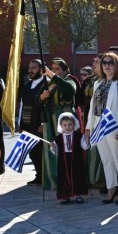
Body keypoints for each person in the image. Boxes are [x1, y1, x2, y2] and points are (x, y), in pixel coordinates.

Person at [86, 52, 118, 204]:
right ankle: (111, 188)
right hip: (98, 124)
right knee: (106, 160)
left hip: (112, 125)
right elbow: (92, 107)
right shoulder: (98, 83)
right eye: (104, 62)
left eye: (111, 62)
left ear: (117, 65)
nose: (106, 65)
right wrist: (88, 127)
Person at [39, 59, 77, 190]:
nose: (54, 71)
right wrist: (42, 97)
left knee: (66, 147)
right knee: (51, 147)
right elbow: (37, 99)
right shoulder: (49, 83)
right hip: (50, 118)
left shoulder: (69, 80)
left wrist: (51, 75)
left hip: (65, 118)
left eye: (57, 69)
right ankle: (53, 179)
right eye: (53, 68)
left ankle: (69, 180)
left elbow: (70, 90)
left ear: (65, 70)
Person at [18, 60, 48, 185]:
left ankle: (44, 177)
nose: (31, 70)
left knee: (40, 151)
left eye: (34, 68)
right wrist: (20, 123)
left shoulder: (46, 84)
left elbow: (46, 106)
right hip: (27, 123)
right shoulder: (27, 85)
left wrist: (43, 123)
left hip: (38, 123)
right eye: (30, 67)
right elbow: (22, 105)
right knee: (32, 151)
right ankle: (38, 175)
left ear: (41, 69)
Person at [49, 112, 88, 204]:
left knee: (77, 176)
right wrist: (52, 147)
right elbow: (56, 151)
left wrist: (86, 139)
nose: (67, 127)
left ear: (74, 124)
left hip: (76, 160)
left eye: (70, 124)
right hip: (63, 161)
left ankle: (79, 195)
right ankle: (65, 196)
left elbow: (85, 147)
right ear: (61, 125)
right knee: (64, 178)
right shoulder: (58, 138)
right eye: (65, 125)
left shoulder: (79, 136)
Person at [81, 57, 106, 193]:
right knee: (93, 149)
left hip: (104, 120)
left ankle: (101, 180)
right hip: (90, 117)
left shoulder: (109, 81)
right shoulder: (92, 81)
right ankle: (92, 179)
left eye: (97, 62)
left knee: (103, 152)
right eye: (94, 62)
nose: (94, 65)